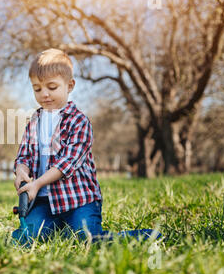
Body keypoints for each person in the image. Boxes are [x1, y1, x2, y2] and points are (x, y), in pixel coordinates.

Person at [12, 49, 161, 244]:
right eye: (37, 89)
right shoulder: (34, 121)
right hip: (43, 202)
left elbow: (67, 163)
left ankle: (146, 236)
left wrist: (38, 183)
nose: (44, 94)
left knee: (86, 238)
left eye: (52, 87)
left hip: (78, 201)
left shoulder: (78, 121)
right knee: (26, 238)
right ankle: (59, 228)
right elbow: (24, 155)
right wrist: (21, 171)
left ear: (70, 85)